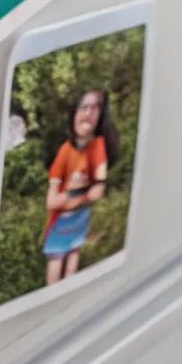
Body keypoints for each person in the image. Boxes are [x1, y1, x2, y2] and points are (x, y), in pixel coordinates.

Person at [42, 88, 119, 285]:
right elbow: (52, 202)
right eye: (83, 107)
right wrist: (77, 195)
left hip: (79, 218)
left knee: (73, 256)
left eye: (95, 108)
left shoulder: (98, 145)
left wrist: (74, 198)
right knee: (56, 261)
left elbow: (97, 191)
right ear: (73, 114)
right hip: (61, 222)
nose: (88, 113)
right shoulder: (65, 151)